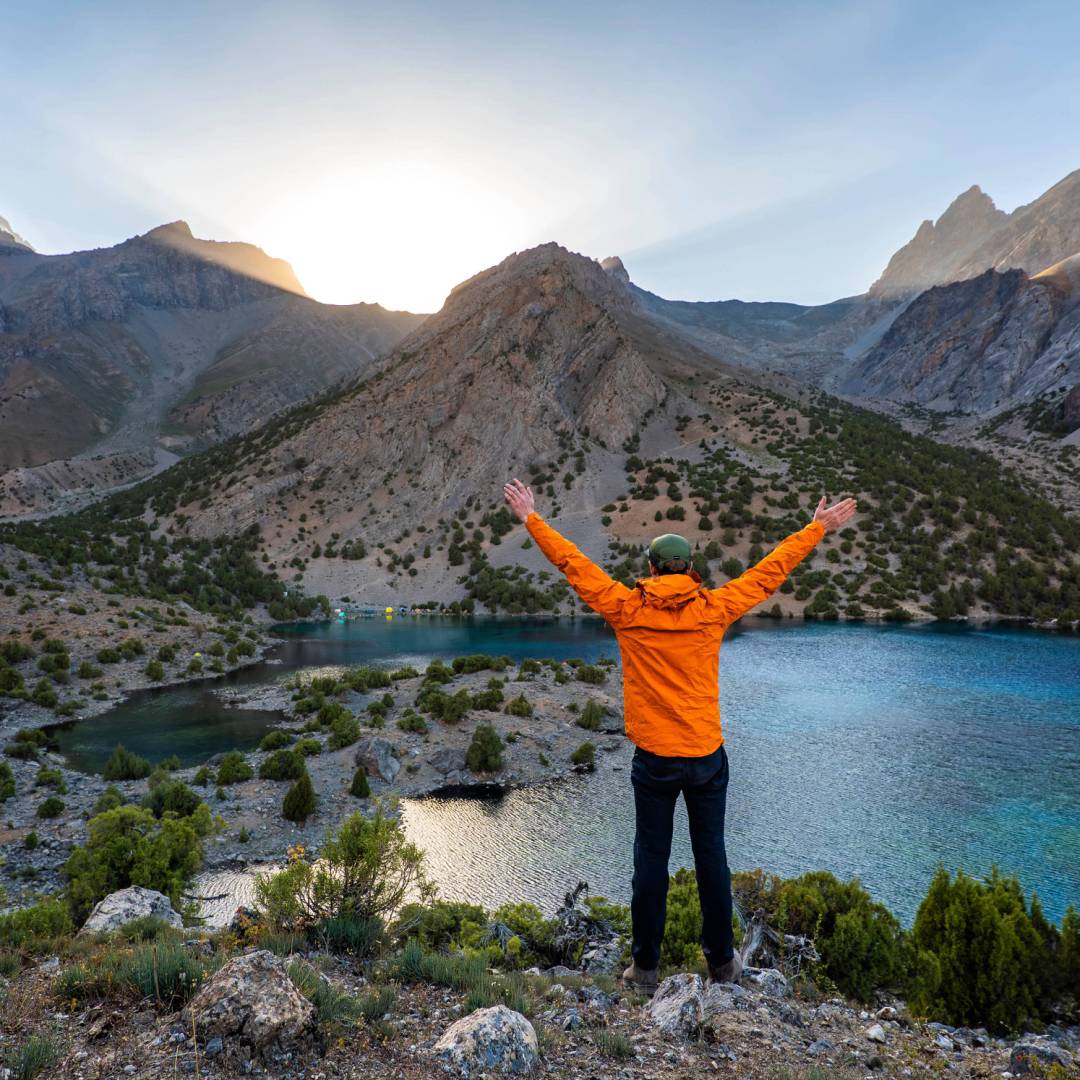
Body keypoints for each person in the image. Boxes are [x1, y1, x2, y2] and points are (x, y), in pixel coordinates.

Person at [502, 477, 857, 995]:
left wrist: (532, 518)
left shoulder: (627, 609)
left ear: (649, 569)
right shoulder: (713, 608)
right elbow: (767, 574)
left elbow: (574, 566)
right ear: (691, 570)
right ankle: (723, 964)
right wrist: (814, 529)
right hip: (707, 756)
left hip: (656, 760)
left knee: (651, 858)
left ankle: (645, 969)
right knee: (711, 855)